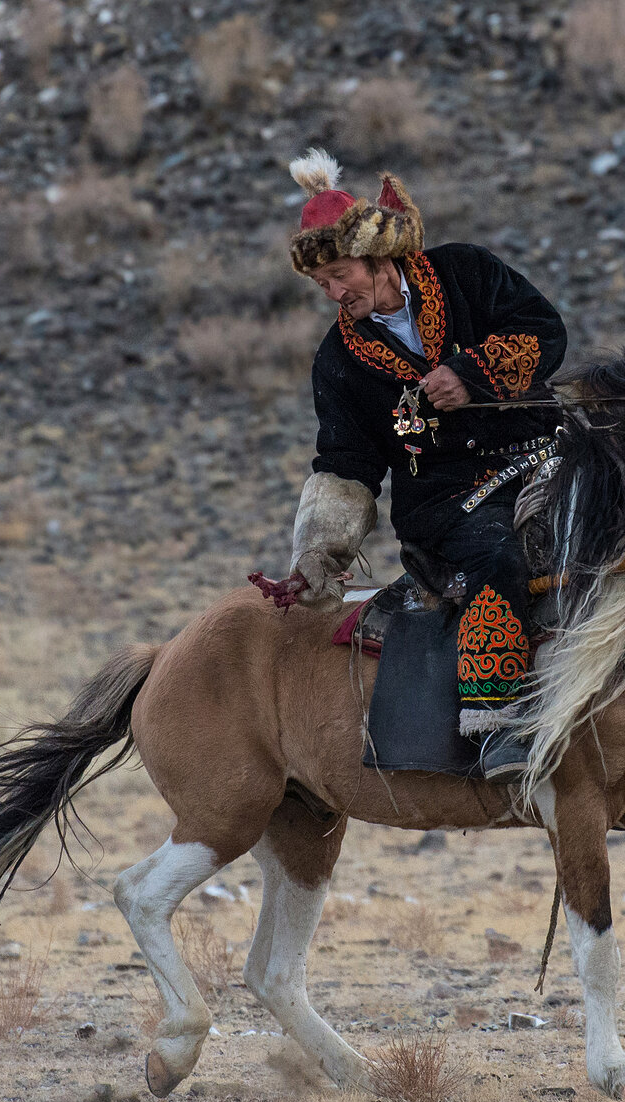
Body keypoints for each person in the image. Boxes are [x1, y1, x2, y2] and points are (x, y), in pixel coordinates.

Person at [261, 149, 567, 783]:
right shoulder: (338, 362)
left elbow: (545, 331)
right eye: (322, 284)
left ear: (381, 260)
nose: (334, 293)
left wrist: (472, 373)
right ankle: (500, 722)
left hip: (544, 454)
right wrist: (317, 554)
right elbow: (346, 465)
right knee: (498, 559)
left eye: (341, 274)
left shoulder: (467, 273)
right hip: (447, 502)